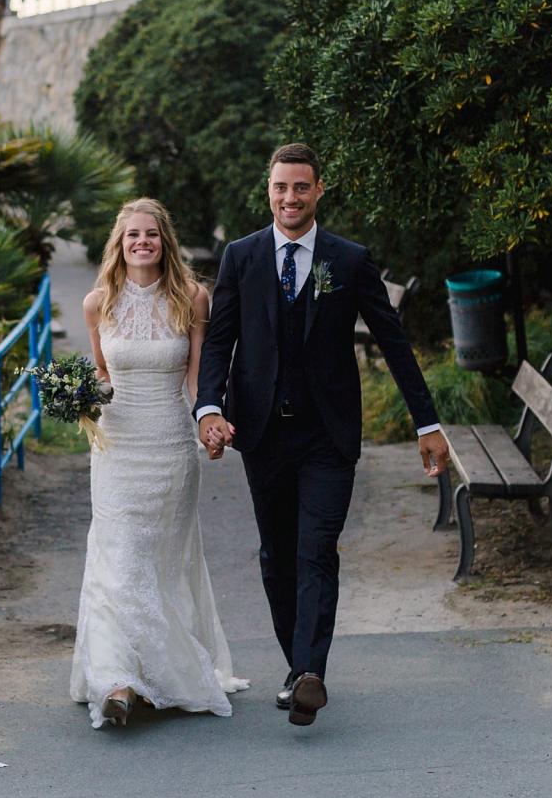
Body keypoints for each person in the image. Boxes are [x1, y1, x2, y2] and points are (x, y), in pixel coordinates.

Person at [196, 143, 450, 727]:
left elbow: (392, 341)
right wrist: (209, 407)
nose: (290, 198)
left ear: (319, 191)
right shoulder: (242, 257)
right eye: (281, 188)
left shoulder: (349, 259)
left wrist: (427, 423)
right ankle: (297, 669)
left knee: (316, 550)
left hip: (328, 437)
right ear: (269, 191)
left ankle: (311, 674)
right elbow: (218, 343)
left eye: (301, 188)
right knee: (276, 556)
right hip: (260, 434)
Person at [70, 198, 248, 728]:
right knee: (119, 557)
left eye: (150, 234)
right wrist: (78, 397)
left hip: (170, 445)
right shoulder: (97, 303)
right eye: (132, 236)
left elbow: (197, 378)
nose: (142, 242)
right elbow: (103, 375)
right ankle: (117, 680)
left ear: (164, 241)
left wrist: (209, 422)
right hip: (117, 446)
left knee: (163, 561)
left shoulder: (191, 298)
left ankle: (162, 673)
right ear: (119, 244)